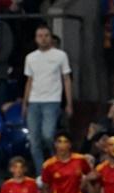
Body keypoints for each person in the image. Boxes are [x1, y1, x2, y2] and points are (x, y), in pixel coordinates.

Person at [23, 25, 73, 171]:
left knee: (48, 135)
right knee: (34, 141)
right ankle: (41, 174)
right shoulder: (30, 57)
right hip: (34, 101)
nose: (43, 38)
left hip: (52, 100)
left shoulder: (60, 55)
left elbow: (67, 79)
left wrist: (69, 103)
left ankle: (55, 164)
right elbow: (29, 81)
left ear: (51, 37)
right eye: (40, 36)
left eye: (46, 35)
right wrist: (25, 103)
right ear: (36, 39)